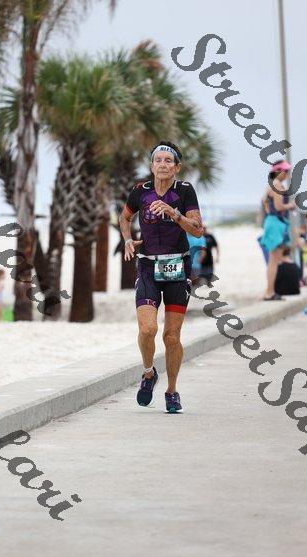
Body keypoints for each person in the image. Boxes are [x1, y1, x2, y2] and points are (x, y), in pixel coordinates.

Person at [119, 141, 203, 413]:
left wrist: (174, 213)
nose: (163, 164)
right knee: (147, 330)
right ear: (152, 165)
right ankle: (148, 373)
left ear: (177, 167)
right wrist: (127, 239)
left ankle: (172, 390)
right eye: (158, 160)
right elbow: (124, 218)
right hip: (148, 267)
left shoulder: (184, 191)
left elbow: (198, 230)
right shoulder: (140, 191)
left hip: (177, 267)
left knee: (171, 337)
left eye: (169, 161)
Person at [260, 160, 296, 300]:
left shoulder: (271, 184)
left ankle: (270, 291)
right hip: (276, 223)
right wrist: (291, 205)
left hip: (274, 222)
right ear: (278, 171)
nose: (287, 173)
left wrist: (269, 212)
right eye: (285, 171)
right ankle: (269, 292)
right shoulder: (277, 185)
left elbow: (264, 201)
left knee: (274, 259)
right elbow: (279, 206)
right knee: (274, 260)